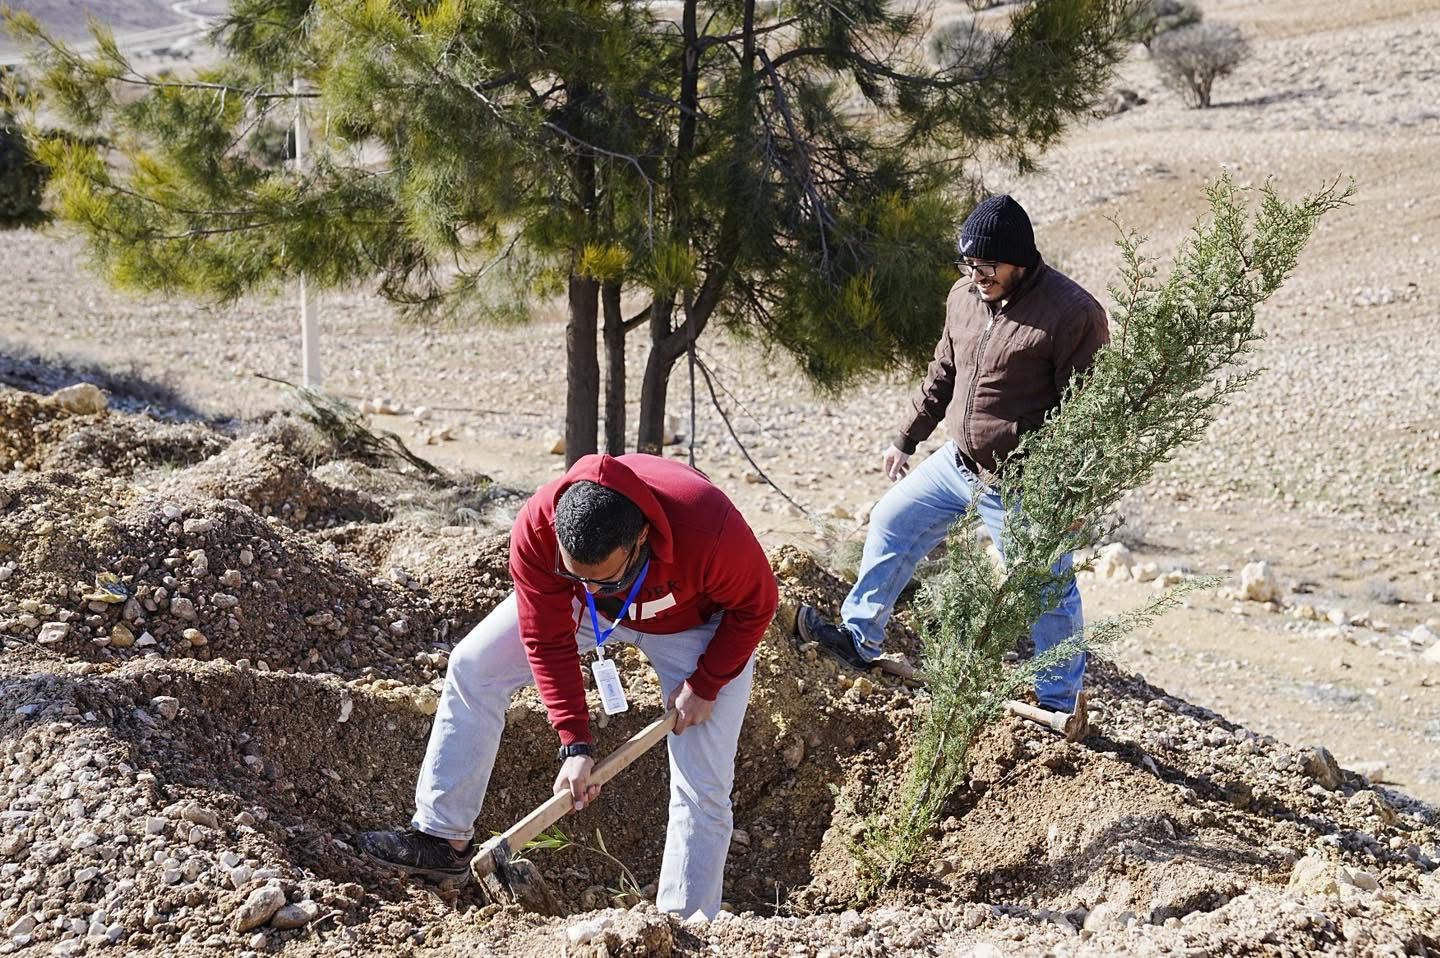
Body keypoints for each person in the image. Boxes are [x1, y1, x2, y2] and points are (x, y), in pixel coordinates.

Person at [358, 453, 778, 918]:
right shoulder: (539, 526)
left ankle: (683, 924)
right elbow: (546, 637)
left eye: (605, 578)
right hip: (584, 619)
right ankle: (443, 838)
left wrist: (707, 681)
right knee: (474, 666)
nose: (592, 587)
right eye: (575, 572)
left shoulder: (708, 528)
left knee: (705, 782)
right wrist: (574, 744)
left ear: (641, 537)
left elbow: (757, 605)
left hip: (695, 627)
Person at [797, 194, 1108, 727]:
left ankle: (1058, 704)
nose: (977, 275)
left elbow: (1090, 414)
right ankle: (859, 637)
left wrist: (1072, 494)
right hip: (959, 463)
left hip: (1023, 483)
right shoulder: (965, 297)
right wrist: (906, 438)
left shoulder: (1072, 314)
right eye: (969, 264)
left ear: (1021, 260)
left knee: (1046, 587)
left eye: (988, 266)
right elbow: (943, 372)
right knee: (893, 520)